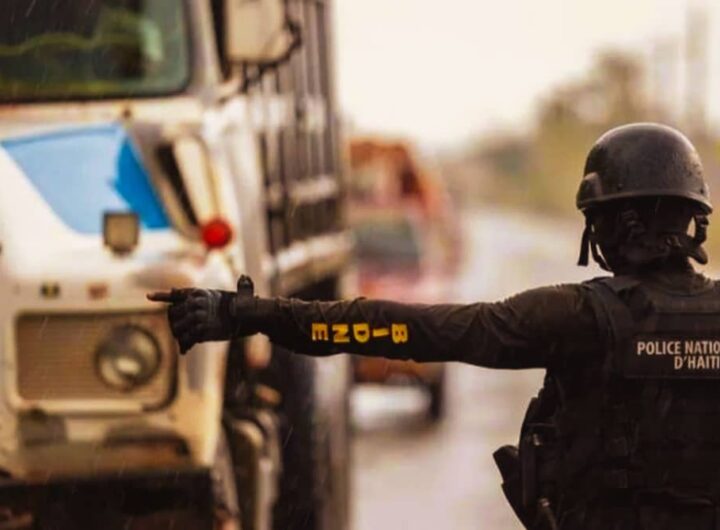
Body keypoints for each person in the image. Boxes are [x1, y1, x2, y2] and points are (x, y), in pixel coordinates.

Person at [149, 123, 720, 530]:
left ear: (610, 223)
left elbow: (403, 328)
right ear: (692, 219)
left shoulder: (575, 317)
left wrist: (251, 314)